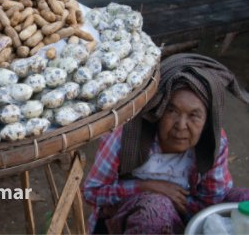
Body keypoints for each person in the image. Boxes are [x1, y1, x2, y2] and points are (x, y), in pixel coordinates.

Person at [83, 53, 249, 234]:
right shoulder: (124, 134)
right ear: (158, 109)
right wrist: (146, 187)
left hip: (187, 217)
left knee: (243, 200)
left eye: (194, 115)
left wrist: (174, 202)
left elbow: (212, 199)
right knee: (155, 210)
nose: (181, 126)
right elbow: (92, 192)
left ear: (207, 120)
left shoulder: (213, 141)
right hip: (128, 222)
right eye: (172, 110)